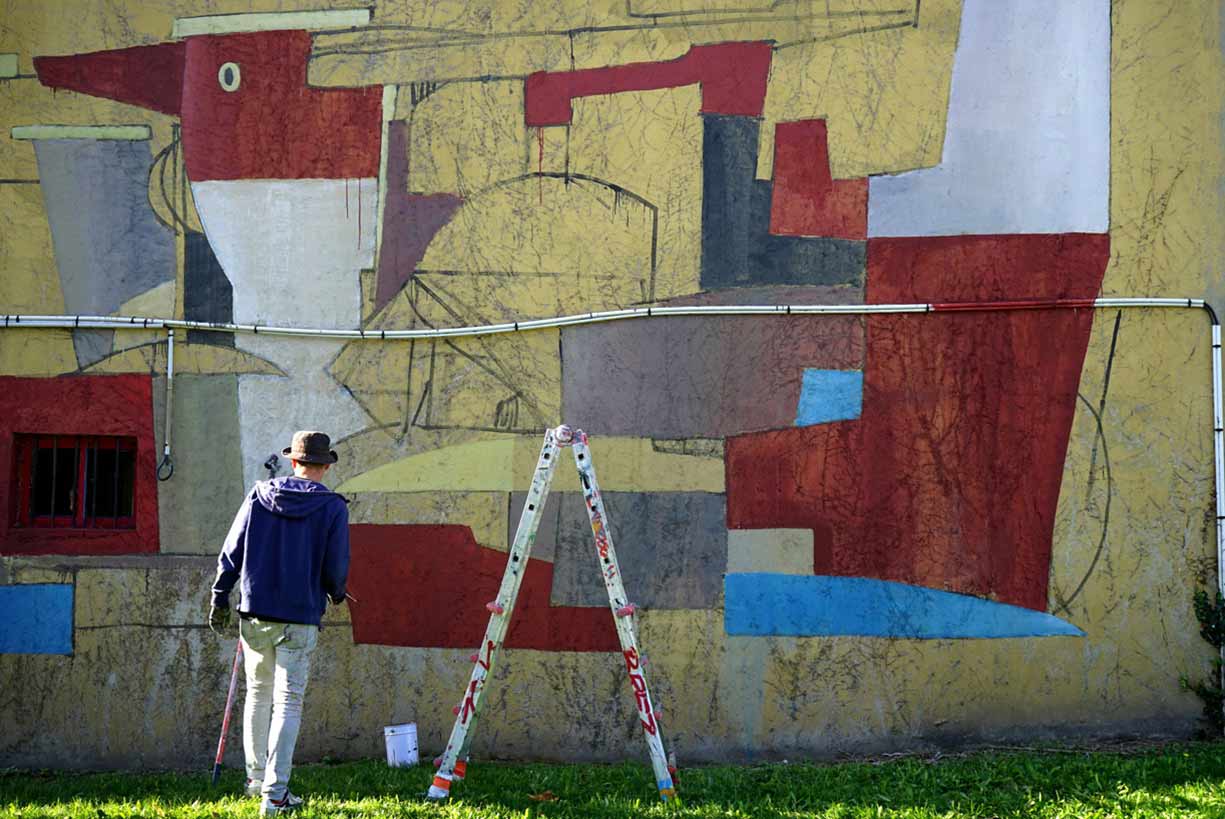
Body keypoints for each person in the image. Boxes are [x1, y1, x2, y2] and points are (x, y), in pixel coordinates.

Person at [209, 430, 350, 816]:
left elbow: (231, 549)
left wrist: (220, 595)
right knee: (288, 702)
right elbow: (337, 568)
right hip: (300, 614)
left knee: (258, 694)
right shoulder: (333, 507)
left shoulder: (259, 495)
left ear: (293, 461)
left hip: (255, 611)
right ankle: (275, 793)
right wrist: (337, 592)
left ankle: (257, 780)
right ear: (325, 466)